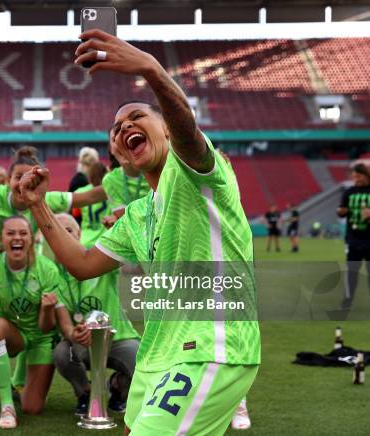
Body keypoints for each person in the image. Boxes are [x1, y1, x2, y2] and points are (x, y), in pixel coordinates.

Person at [19, 29, 260, 436]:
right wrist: (38, 206)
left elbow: (188, 133)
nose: (123, 126)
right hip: (158, 356)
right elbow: (81, 264)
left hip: (209, 348)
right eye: (115, 128)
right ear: (117, 153)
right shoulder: (136, 214)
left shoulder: (197, 175)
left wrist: (150, 68)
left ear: (165, 129)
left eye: (136, 117)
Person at [40, 213, 140, 415]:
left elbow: (131, 260)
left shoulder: (97, 260)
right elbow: (66, 324)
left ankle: (118, 388)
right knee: (62, 352)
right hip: (82, 345)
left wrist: (116, 228)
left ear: (79, 234)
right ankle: (86, 393)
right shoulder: (51, 274)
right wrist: (73, 334)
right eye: (56, 230)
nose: (62, 235)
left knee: (141, 359)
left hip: (118, 339)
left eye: (67, 230)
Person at [0, 215, 62, 419]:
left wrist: (48, 309)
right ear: (1, 238)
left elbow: (47, 327)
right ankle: (7, 405)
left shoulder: (47, 269)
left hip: (40, 337)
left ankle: (20, 385)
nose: (17, 238)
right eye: (10, 233)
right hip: (13, 333)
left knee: (32, 407)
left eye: (23, 233)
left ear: (31, 238)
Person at [337, 163, 370, 309]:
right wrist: (341, 212)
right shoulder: (349, 192)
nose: (355, 179)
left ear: (366, 175)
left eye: (358, 176)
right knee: (351, 273)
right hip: (353, 239)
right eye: (353, 176)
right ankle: (347, 301)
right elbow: (340, 210)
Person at [102, 128, 151, 225]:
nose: (121, 144)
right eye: (115, 139)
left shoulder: (155, 171)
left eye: (125, 137)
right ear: (111, 149)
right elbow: (125, 220)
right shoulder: (110, 180)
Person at [75, 162, 111, 248]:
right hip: (105, 241)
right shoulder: (111, 190)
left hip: (85, 240)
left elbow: (76, 215)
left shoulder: (80, 192)